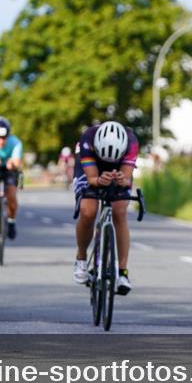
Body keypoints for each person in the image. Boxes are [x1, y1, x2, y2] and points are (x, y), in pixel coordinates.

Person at [71, 120, 139, 293]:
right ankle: (81, 258)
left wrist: (122, 180)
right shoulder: (87, 139)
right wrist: (98, 180)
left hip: (119, 167)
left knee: (119, 212)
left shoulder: (131, 142)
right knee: (88, 211)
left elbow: (126, 178)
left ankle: (122, 273)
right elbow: (92, 178)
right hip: (91, 167)